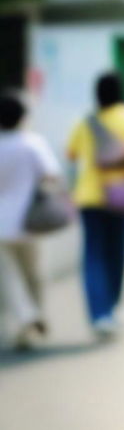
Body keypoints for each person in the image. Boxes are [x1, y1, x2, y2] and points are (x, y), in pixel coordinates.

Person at [67, 72, 124, 337]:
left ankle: (99, 313)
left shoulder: (87, 122)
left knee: (93, 255)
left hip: (90, 196)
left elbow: (71, 153)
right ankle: (112, 307)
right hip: (123, 195)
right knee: (117, 252)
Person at [0, 90, 62, 348]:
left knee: (9, 278)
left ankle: (27, 320)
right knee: (34, 275)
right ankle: (32, 319)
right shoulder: (32, 142)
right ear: (23, 116)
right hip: (31, 221)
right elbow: (52, 175)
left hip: (2, 226)